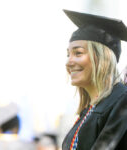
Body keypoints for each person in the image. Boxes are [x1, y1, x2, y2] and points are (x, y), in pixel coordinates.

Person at [62, 9, 127, 150]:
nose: (69, 62)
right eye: (68, 54)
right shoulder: (90, 109)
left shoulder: (122, 102)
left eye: (78, 53)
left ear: (102, 58)